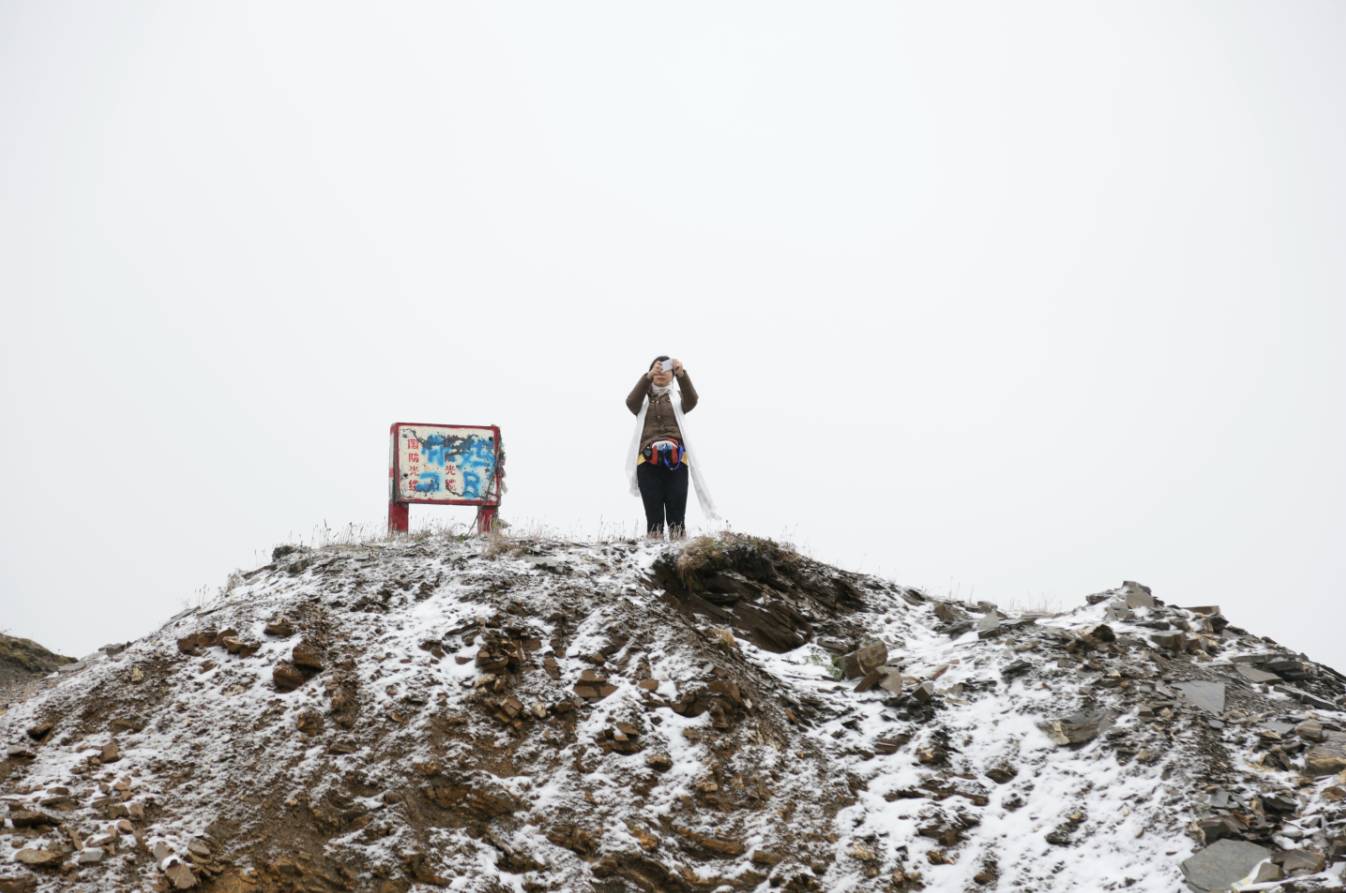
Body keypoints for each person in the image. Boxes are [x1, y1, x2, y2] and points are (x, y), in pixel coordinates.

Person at [624, 356, 717, 539]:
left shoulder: (678, 399)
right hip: (647, 462)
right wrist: (647, 376)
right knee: (654, 516)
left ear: (672, 376)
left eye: (666, 370)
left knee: (676, 516)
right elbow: (630, 402)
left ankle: (678, 555)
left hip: (677, 463)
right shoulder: (642, 402)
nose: (661, 373)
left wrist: (682, 374)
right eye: (657, 369)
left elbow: (692, 400)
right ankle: (653, 555)